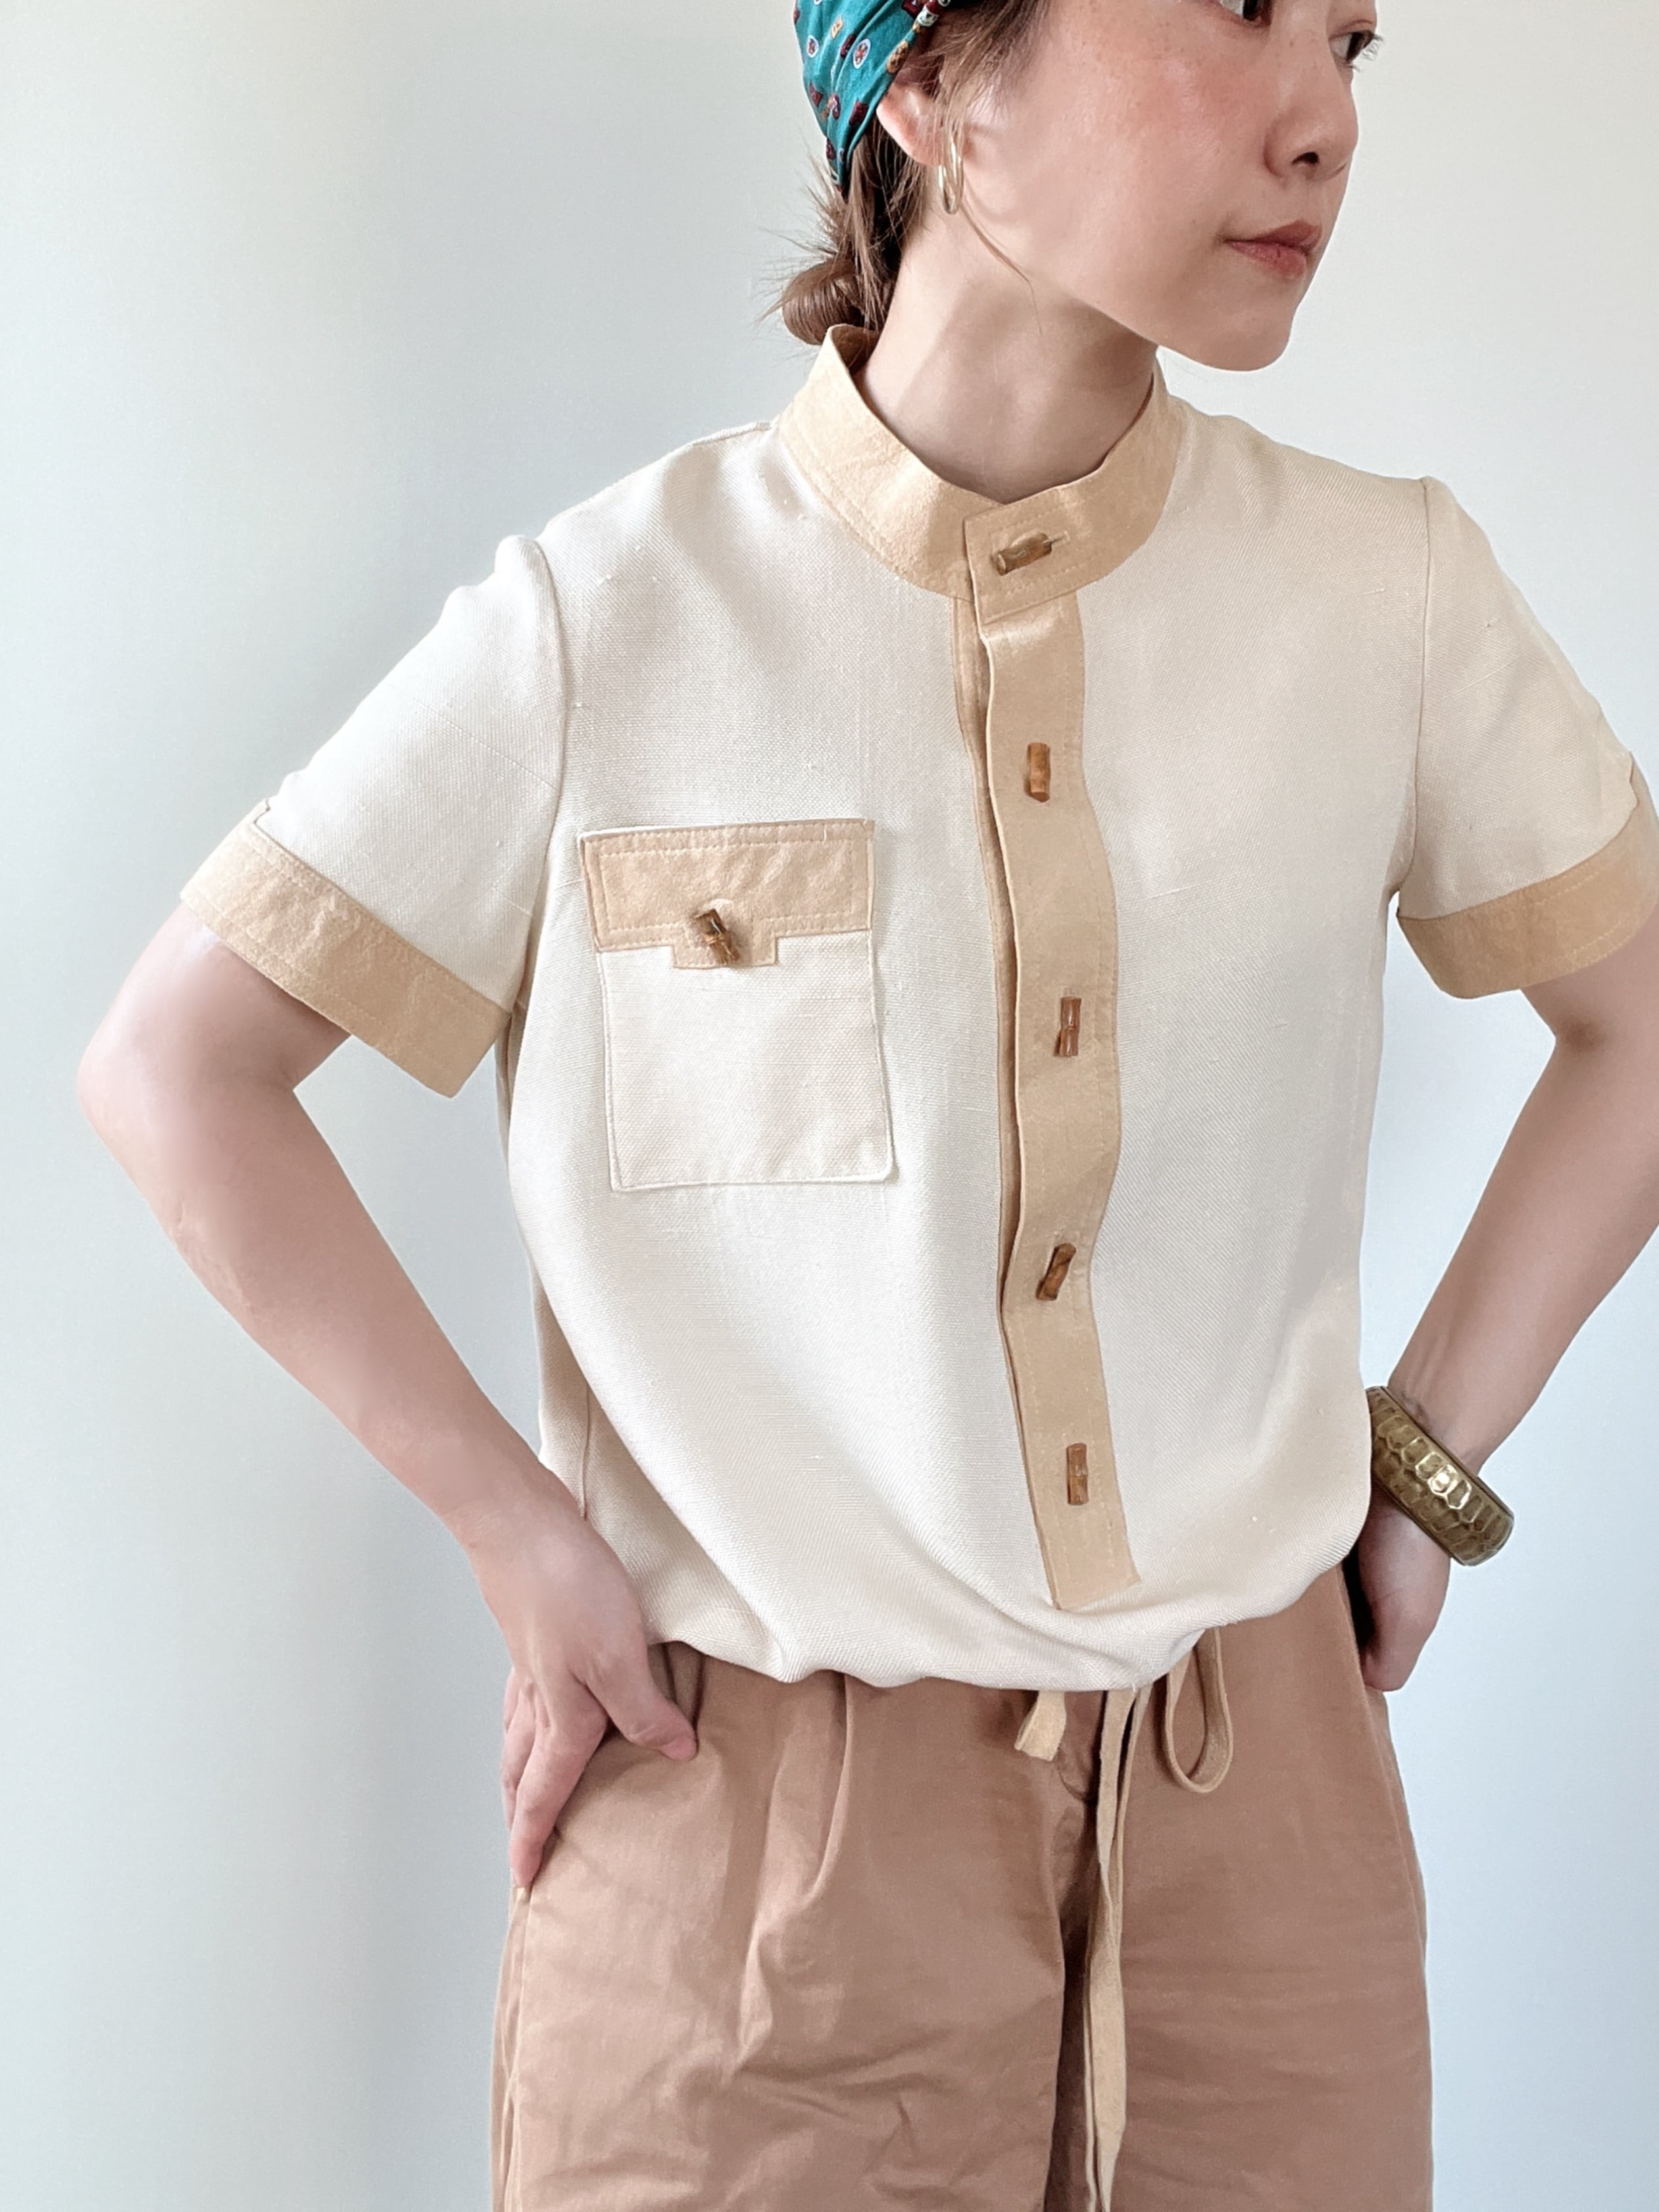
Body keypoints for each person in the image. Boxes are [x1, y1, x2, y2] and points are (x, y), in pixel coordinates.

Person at [78, 1, 1659, 2206]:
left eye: (1349, 43)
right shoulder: (609, 620)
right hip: (751, 1871)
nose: (1319, 120)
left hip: (1262, 1848)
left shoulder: (1381, 594)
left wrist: (1419, 1463)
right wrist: (518, 1534)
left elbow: (1635, 1024)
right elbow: (181, 1068)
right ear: (927, 77)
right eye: (1233, 14)